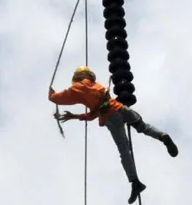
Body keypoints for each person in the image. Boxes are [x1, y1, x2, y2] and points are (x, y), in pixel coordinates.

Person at [49, 65, 178, 204]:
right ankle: (163, 136)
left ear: (78, 77)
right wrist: (74, 116)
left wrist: (51, 94)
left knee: (124, 150)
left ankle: (135, 182)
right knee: (143, 127)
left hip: (112, 117)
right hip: (120, 108)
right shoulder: (97, 86)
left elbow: (58, 98)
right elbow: (94, 113)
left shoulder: (78, 88)